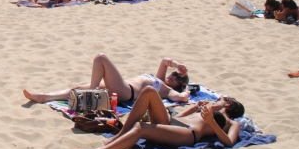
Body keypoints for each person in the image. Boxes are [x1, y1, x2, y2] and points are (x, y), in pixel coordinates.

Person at [74, 88, 244, 149]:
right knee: (149, 91)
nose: (218, 99)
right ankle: (119, 135)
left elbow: (229, 142)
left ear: (229, 104)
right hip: (173, 123)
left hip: (188, 133)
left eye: (222, 99)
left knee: (141, 127)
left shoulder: (232, 123)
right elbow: (181, 117)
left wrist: (212, 123)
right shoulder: (207, 109)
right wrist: (194, 109)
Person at [23, 54, 190, 105]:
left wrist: (188, 90)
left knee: (101, 58)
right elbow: (164, 61)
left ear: (180, 84)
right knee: (78, 87)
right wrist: (178, 65)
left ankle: (92, 90)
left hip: (128, 92)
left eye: (177, 77)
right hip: (122, 86)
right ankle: (44, 96)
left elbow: (182, 98)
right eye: (174, 73)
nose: (172, 75)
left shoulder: (168, 91)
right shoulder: (159, 79)